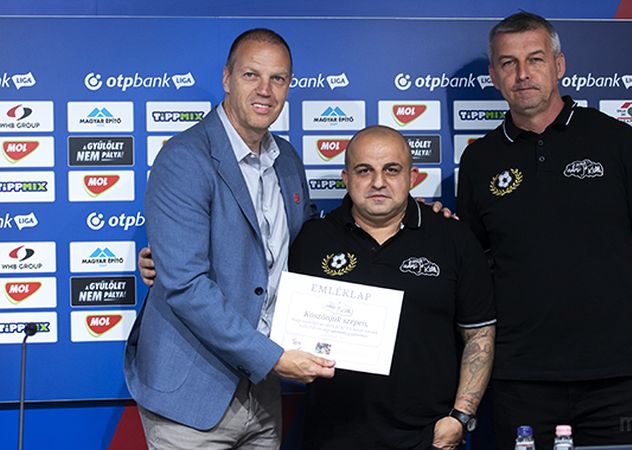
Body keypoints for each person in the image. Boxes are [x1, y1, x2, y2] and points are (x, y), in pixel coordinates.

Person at [456, 12, 632, 448]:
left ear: (559, 65)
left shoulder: (617, 141)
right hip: (518, 379)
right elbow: (473, 269)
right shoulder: (479, 160)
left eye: (535, 59)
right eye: (508, 63)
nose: (523, 74)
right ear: (494, 77)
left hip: (619, 378)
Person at [124, 28, 335, 449]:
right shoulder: (185, 158)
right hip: (192, 393)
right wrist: (273, 358)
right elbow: (186, 285)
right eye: (251, 75)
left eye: (278, 78)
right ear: (226, 78)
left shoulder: (287, 160)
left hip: (263, 390)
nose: (265, 90)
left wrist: (406, 215)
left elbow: (309, 246)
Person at [290, 125, 495, 450]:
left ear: (412, 177)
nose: (378, 182)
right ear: (345, 178)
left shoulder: (453, 238)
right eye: (364, 170)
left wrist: (460, 417)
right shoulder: (312, 239)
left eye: (391, 170)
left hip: (428, 438)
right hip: (332, 437)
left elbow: (479, 334)